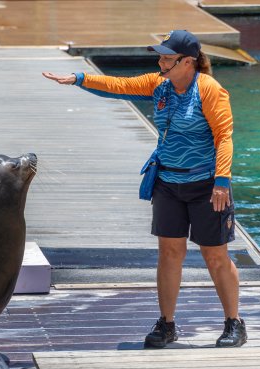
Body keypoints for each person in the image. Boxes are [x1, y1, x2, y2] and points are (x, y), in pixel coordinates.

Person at [42, 30, 246, 348]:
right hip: (167, 183)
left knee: (215, 255)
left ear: (187, 62)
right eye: (160, 57)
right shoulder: (159, 85)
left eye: (167, 58)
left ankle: (234, 323)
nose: (161, 63)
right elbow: (119, 86)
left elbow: (224, 136)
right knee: (169, 253)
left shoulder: (208, 89)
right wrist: (79, 78)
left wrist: (222, 180)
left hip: (206, 185)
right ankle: (167, 324)